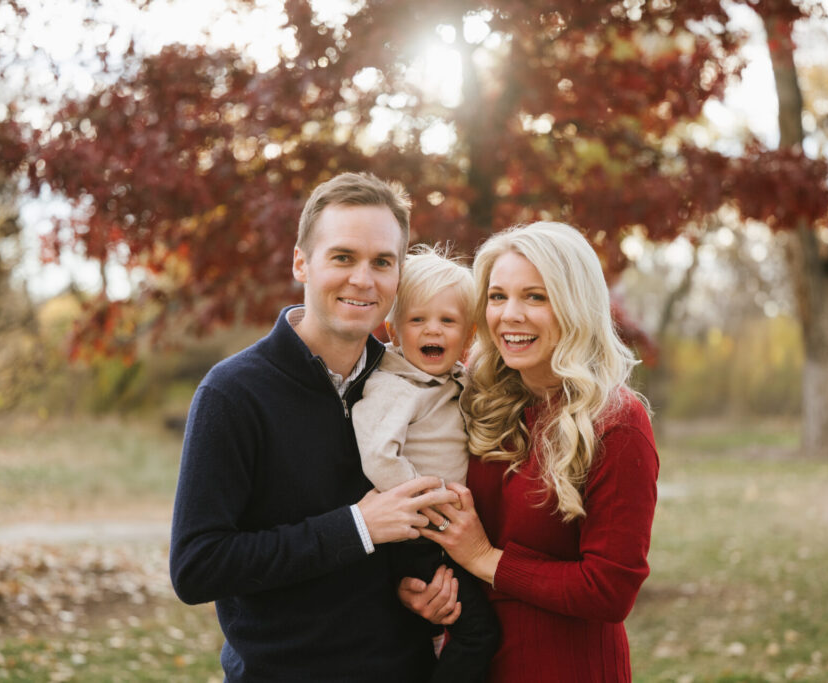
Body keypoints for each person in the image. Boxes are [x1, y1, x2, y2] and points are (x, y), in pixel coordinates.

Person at [169, 171, 459, 683]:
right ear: (302, 262)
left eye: (382, 263)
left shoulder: (418, 382)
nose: (363, 280)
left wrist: (419, 585)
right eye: (343, 257)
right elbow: (198, 567)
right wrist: (358, 527)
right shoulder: (232, 393)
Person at [399, 221, 660, 682]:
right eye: (497, 297)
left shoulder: (617, 424)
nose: (509, 315)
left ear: (574, 305)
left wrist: (483, 557)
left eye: (534, 297)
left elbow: (609, 591)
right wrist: (420, 587)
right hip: (469, 665)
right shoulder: (475, 394)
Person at [352, 244, 500, 683]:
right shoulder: (394, 386)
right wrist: (430, 504)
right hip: (420, 535)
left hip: (438, 532)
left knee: (442, 626)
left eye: (446, 321)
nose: (431, 330)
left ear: (469, 334)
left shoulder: (452, 380)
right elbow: (379, 457)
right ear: (393, 331)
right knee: (479, 633)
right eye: (417, 320)